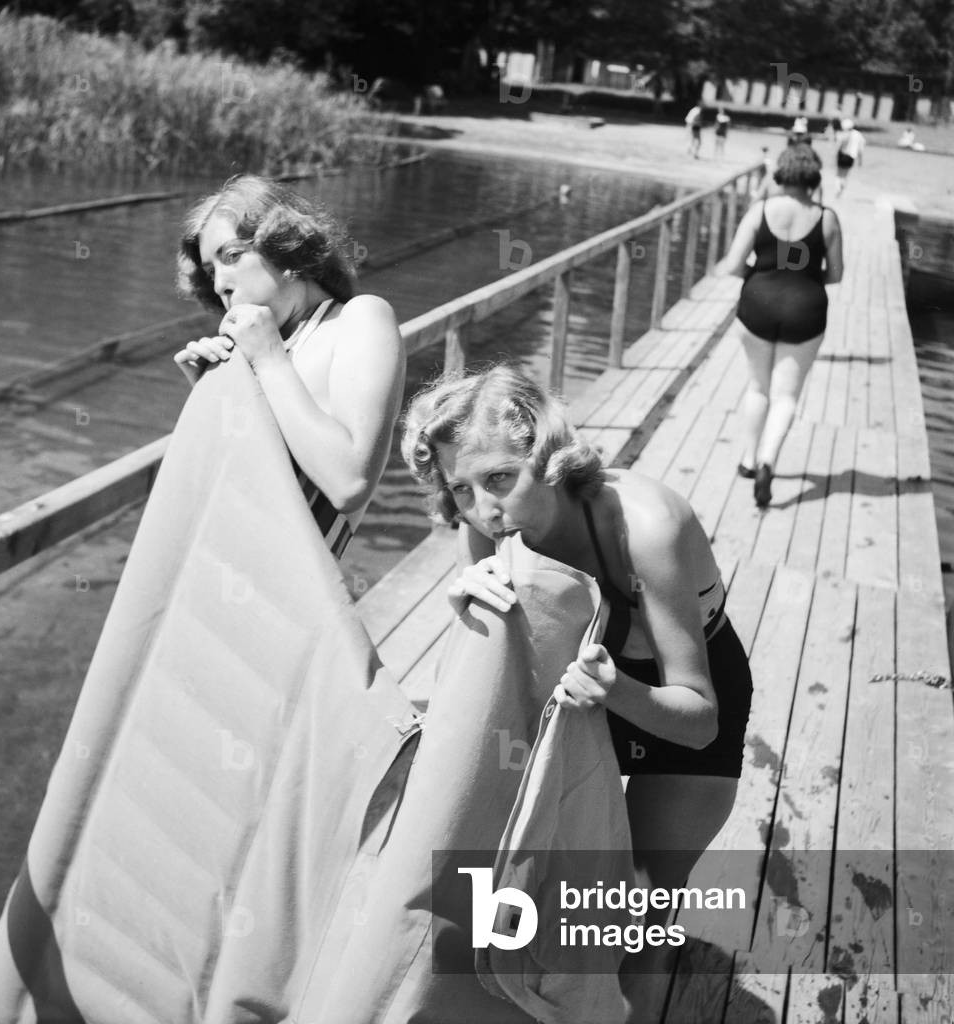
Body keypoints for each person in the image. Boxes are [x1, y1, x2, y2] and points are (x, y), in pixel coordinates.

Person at [401, 366, 754, 1023]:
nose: (483, 507)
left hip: (670, 698)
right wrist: (468, 611)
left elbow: (700, 718)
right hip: (579, 681)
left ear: (549, 456)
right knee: (502, 864)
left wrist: (616, 689)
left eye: (500, 478)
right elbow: (498, 675)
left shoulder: (648, 525)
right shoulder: (484, 528)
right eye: (461, 488)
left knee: (641, 906)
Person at [174, 175, 406, 554]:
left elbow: (348, 482)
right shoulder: (264, 351)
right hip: (220, 578)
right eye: (211, 271)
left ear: (285, 248)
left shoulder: (359, 319)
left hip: (290, 592)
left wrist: (268, 358)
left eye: (232, 256)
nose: (220, 285)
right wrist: (211, 390)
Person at [715, 144, 844, 507]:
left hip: (758, 305)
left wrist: (761, 272)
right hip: (806, 310)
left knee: (758, 387)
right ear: (814, 179)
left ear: (781, 174)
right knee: (786, 395)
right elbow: (835, 274)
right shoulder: (828, 218)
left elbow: (732, 264)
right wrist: (802, 273)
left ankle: (748, 460)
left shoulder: (761, 211)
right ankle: (769, 461)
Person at [834, 117, 866, 195]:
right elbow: (860, 149)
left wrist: (835, 155)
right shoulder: (858, 135)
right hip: (851, 157)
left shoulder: (843, 134)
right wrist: (860, 160)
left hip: (842, 155)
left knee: (839, 173)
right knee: (845, 174)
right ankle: (842, 187)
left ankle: (838, 187)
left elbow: (839, 145)